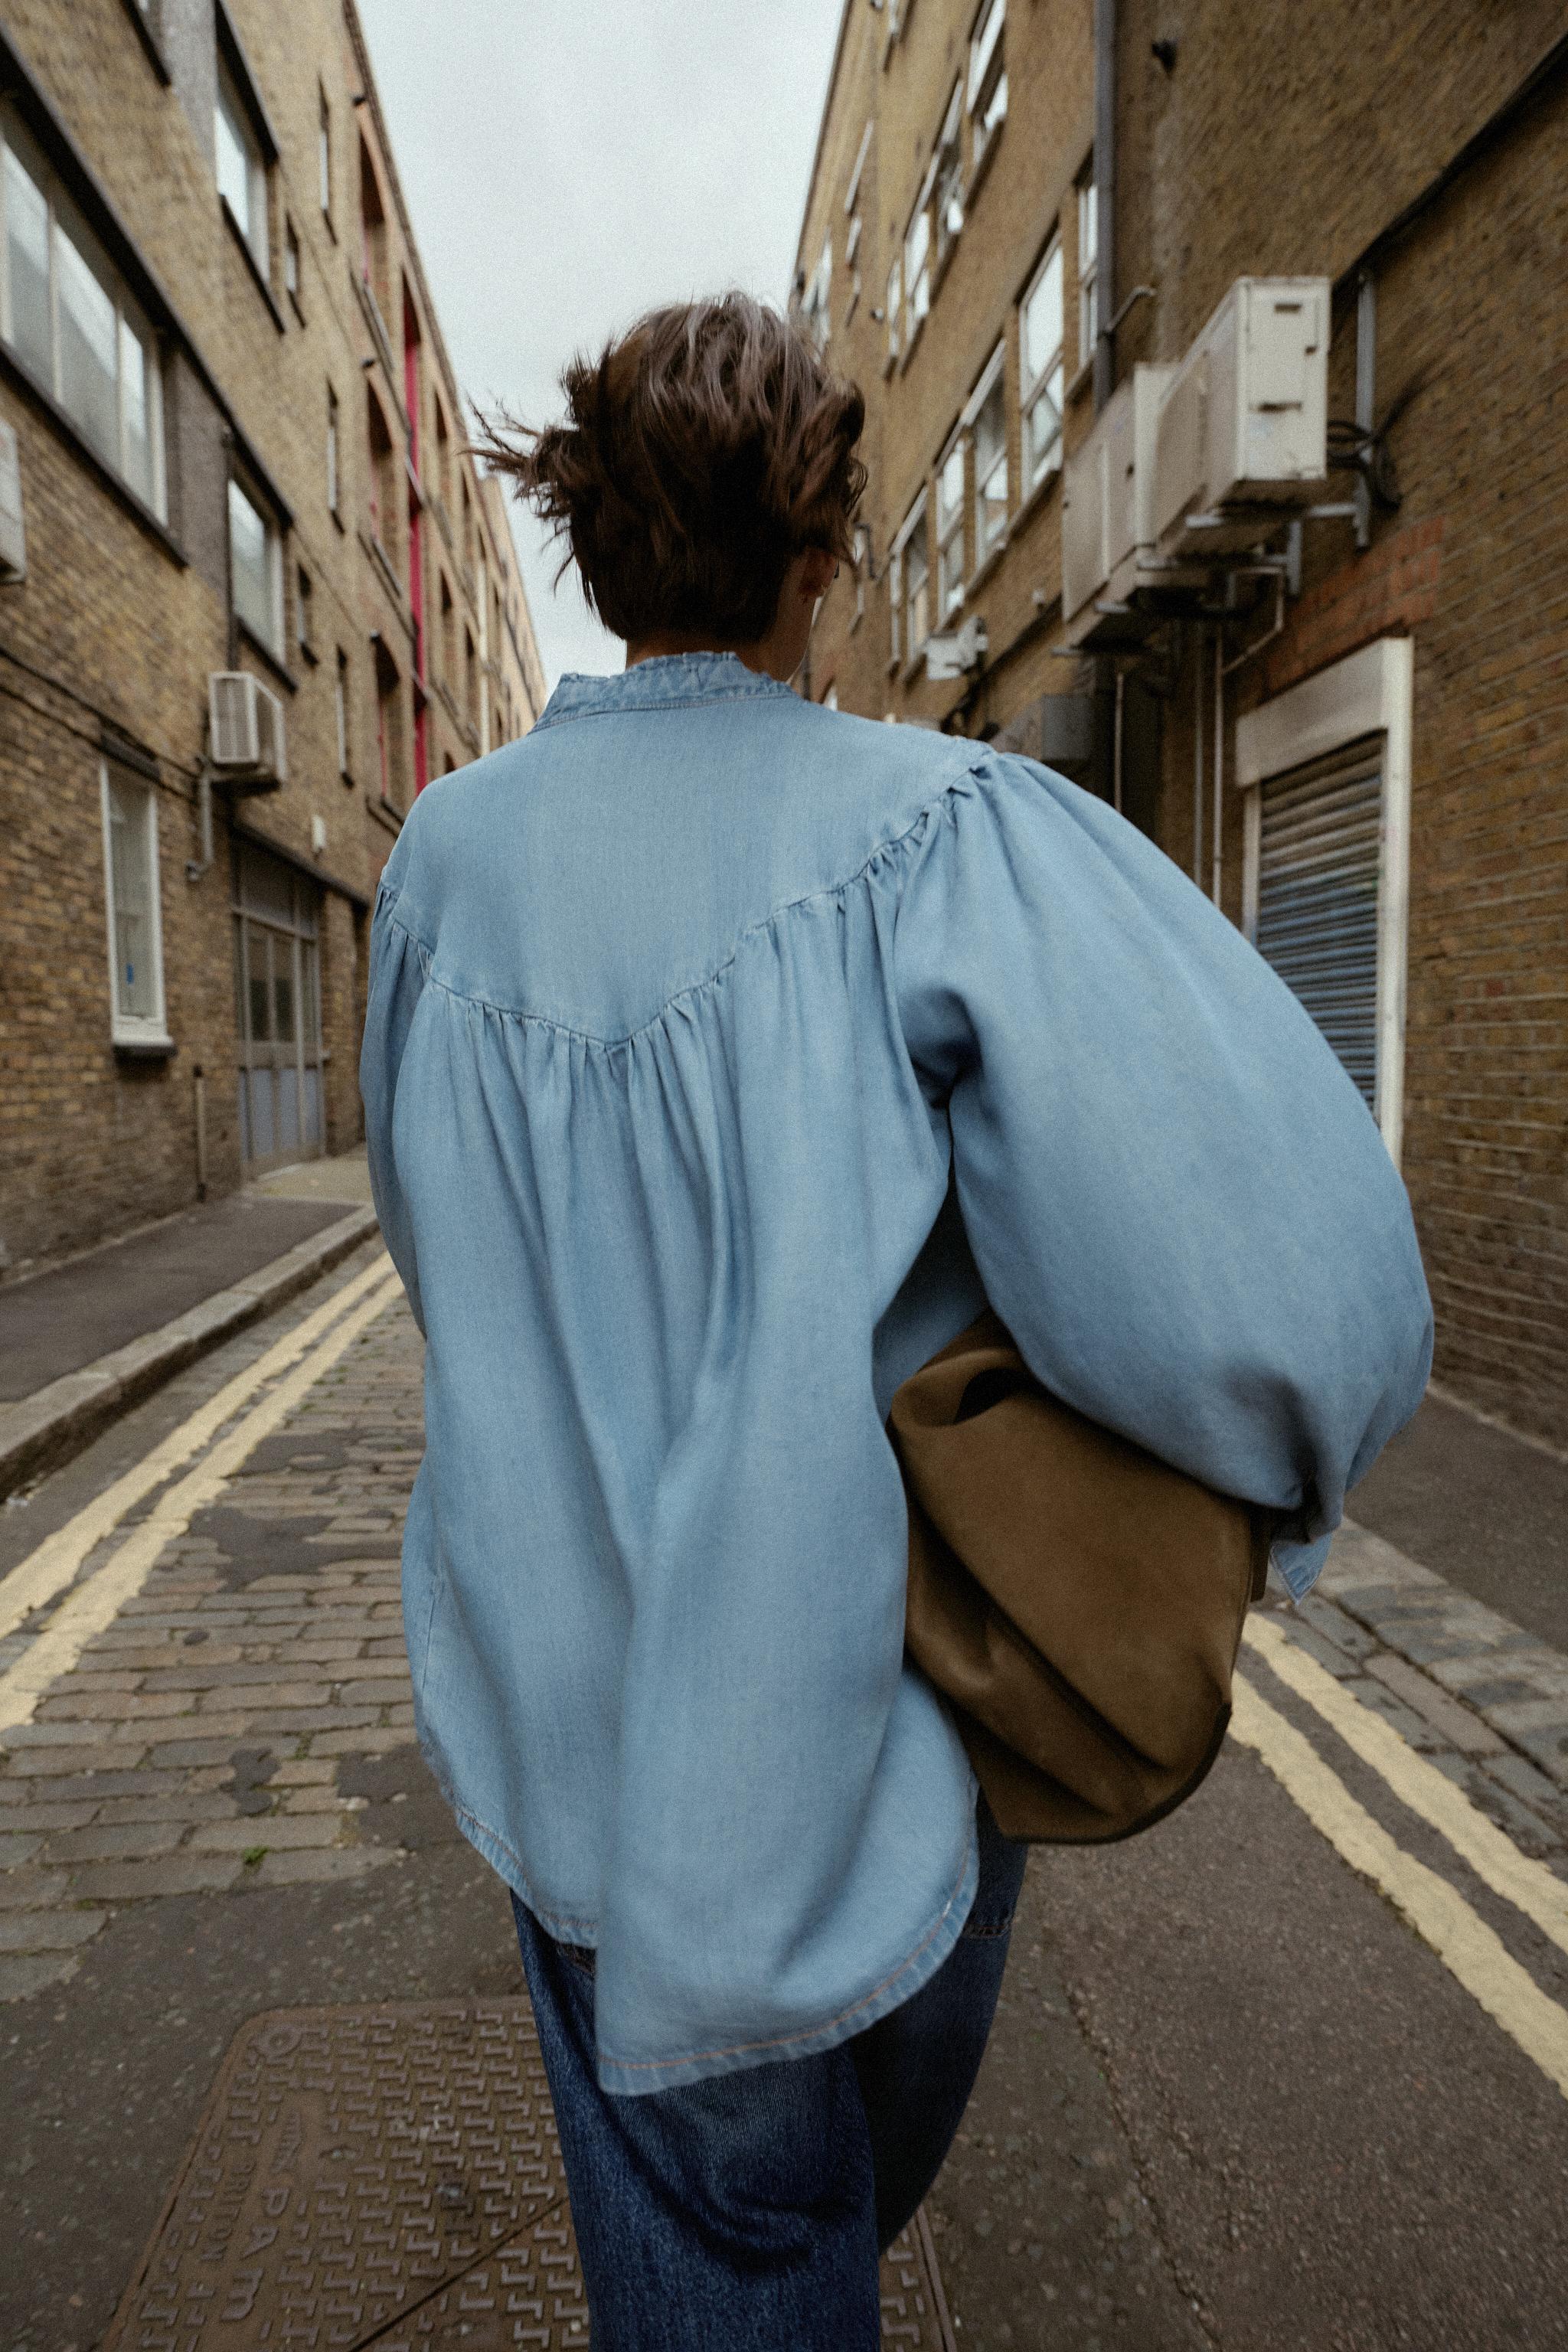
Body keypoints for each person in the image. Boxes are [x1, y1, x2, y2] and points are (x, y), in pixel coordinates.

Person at [360, 293, 1432, 2347]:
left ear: (592, 540)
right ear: (819, 552)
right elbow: (1280, 1274)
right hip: (875, 1752)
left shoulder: (441, 873)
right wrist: (1270, 1484)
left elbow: (438, 1242)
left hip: (566, 1758)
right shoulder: (944, 833)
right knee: (815, 2215)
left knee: (749, 2244)